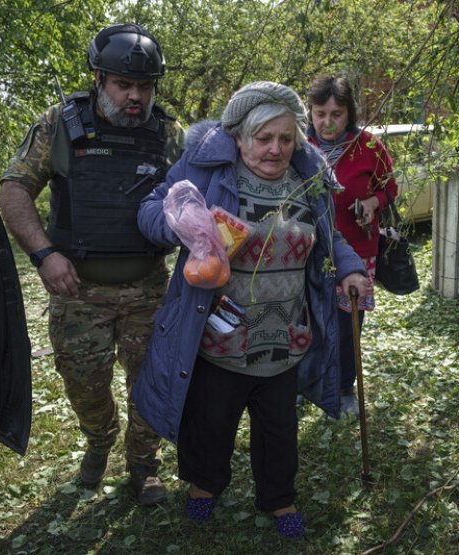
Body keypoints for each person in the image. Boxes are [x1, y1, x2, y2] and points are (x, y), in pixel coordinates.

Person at [133, 81, 370, 538]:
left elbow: (330, 237)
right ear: (240, 138)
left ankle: (279, 499)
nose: (275, 149)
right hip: (218, 336)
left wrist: (351, 269)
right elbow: (150, 209)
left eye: (285, 139)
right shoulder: (208, 173)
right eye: (263, 139)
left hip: (285, 335)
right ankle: (204, 487)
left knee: (279, 429)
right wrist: (186, 226)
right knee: (211, 422)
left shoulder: (308, 182)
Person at [0, 23, 184, 504]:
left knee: (152, 381)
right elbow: (15, 188)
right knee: (84, 383)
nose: (135, 96)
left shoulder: (168, 133)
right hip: (77, 289)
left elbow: (196, 195)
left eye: (145, 86)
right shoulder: (61, 124)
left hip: (149, 287)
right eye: (124, 85)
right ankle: (100, 439)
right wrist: (43, 254)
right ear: (99, 79)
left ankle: (144, 465)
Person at [306, 75, 398, 416]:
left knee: (348, 326)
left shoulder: (368, 146)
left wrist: (373, 202)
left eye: (336, 114)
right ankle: (309, 381)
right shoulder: (300, 146)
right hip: (310, 250)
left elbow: (391, 188)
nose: (327, 122)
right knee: (310, 318)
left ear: (350, 113)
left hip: (357, 250)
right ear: (310, 113)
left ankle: (345, 388)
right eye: (320, 113)